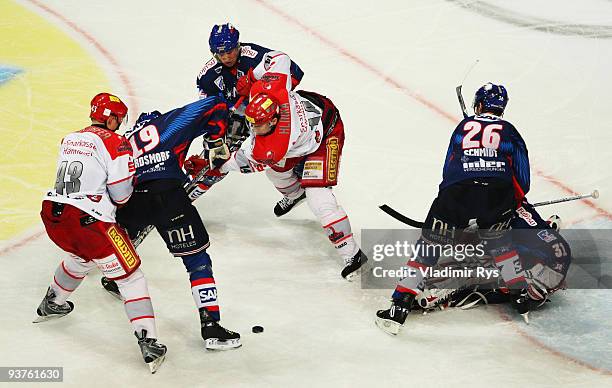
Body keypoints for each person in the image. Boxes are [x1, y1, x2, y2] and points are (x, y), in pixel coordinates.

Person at [375, 82, 532, 335]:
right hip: (497, 193)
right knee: (501, 245)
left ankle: (400, 305)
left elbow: (449, 167)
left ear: (479, 104)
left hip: (458, 191)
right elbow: (523, 177)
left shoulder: (463, 127)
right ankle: (520, 294)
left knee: (429, 246)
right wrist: (512, 203)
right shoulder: (510, 131)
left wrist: (446, 206)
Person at [35, 93, 167, 373]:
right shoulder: (115, 141)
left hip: (53, 216)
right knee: (131, 277)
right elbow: (120, 195)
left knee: (81, 256)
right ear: (110, 118)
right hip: (90, 222)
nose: (119, 124)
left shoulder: (70, 138)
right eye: (118, 118)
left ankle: (52, 301)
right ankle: (149, 341)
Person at [187, 80, 368, 280]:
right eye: (252, 122)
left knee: (318, 197)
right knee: (276, 173)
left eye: (259, 125)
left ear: (273, 121)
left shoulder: (273, 146)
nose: (253, 128)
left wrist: (212, 163)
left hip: (326, 134)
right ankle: (295, 194)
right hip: (311, 120)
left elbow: (240, 162)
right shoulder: (268, 91)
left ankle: (352, 254)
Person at [113, 95, 241, 350]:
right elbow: (216, 104)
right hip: (167, 197)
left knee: (118, 243)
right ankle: (211, 326)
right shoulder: (166, 124)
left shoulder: (123, 142)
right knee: (197, 261)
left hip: (131, 201)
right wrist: (215, 140)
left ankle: (69, 291)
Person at [192, 23, 305, 211]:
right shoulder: (207, 76)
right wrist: (217, 136)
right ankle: (184, 200)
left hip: (266, 113)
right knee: (214, 162)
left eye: (230, 51)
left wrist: (260, 91)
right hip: (231, 121)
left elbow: (294, 73)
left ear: (238, 45)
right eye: (221, 54)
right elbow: (207, 111)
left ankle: (296, 182)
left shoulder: (256, 56)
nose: (227, 57)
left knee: (288, 146)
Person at [415, 202, 572, 315]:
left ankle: (439, 294)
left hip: (540, 276)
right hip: (543, 268)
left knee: (482, 267)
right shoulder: (512, 210)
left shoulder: (506, 219)